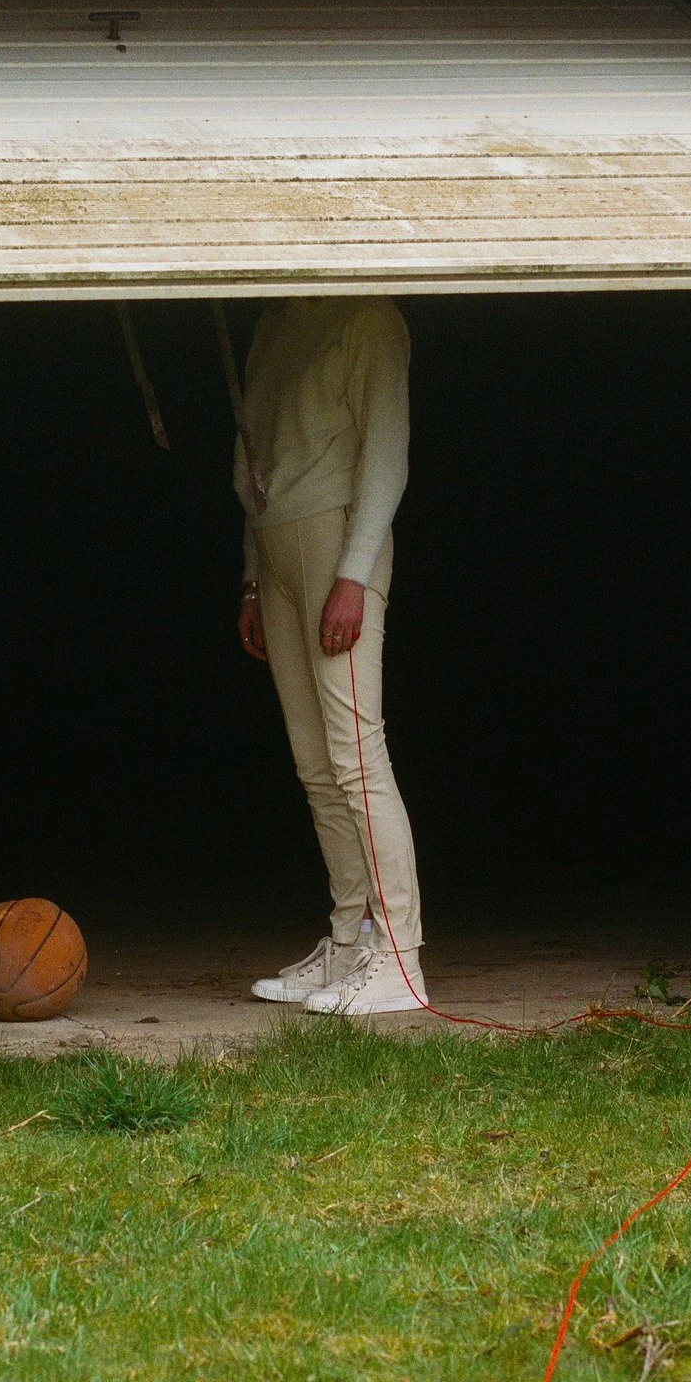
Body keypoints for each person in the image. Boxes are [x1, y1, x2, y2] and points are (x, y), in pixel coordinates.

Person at [233, 295, 426, 1016]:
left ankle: (401, 959)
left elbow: (387, 449)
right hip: (278, 541)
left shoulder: (366, 313)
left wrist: (354, 569)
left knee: (355, 751)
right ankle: (350, 942)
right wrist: (252, 575)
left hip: (338, 535)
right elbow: (254, 455)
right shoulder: (273, 323)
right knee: (315, 763)